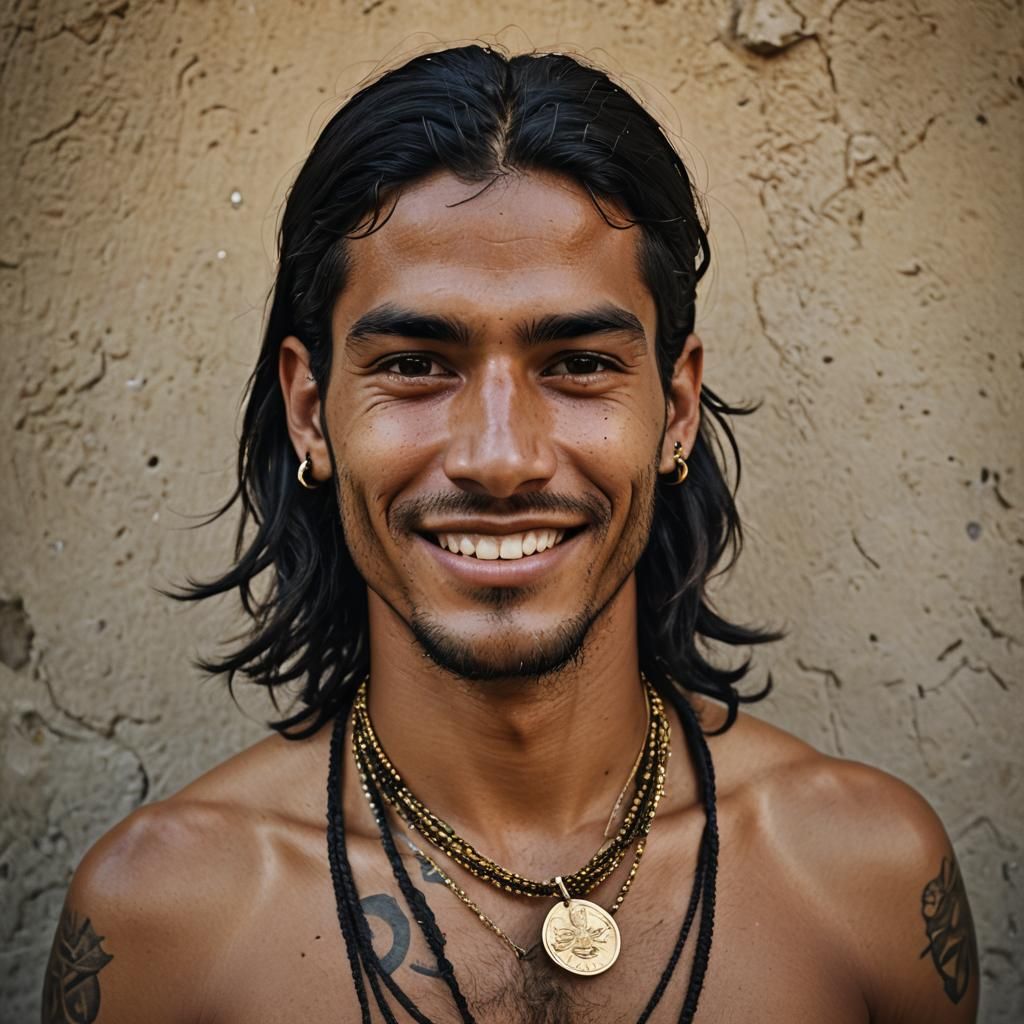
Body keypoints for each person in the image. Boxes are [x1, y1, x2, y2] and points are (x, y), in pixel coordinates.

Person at [42, 46, 979, 1024]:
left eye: (576, 361)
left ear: (676, 408)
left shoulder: (865, 879)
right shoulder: (166, 921)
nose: (498, 458)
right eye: (414, 363)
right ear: (311, 410)